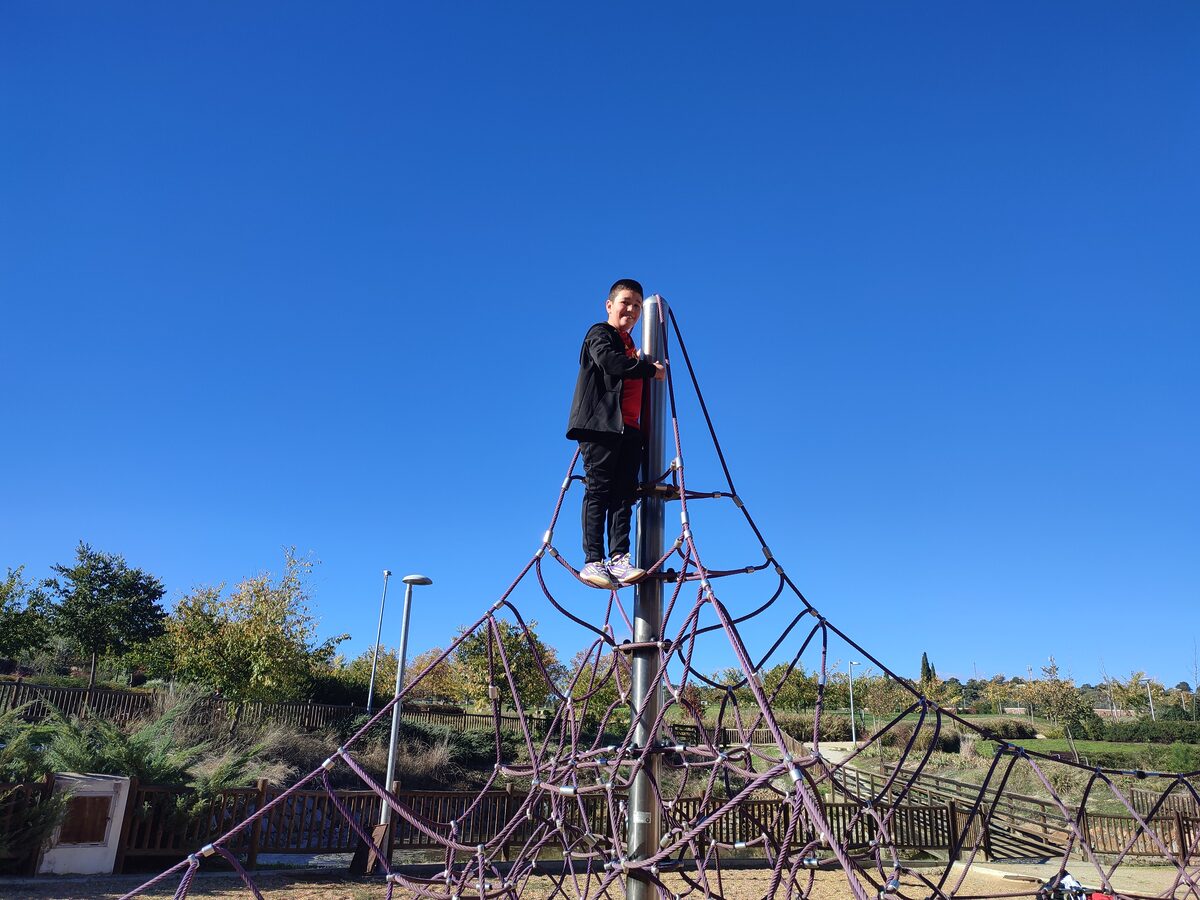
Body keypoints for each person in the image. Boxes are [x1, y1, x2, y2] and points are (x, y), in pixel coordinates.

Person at [566, 278, 665, 588]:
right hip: (601, 426)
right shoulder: (600, 334)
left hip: (630, 429)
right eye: (625, 302)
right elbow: (610, 363)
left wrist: (642, 362)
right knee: (599, 489)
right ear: (609, 305)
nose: (631, 309)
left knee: (624, 495)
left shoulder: (632, 347)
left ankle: (619, 557)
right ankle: (593, 560)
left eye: (637, 305)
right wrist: (650, 369)